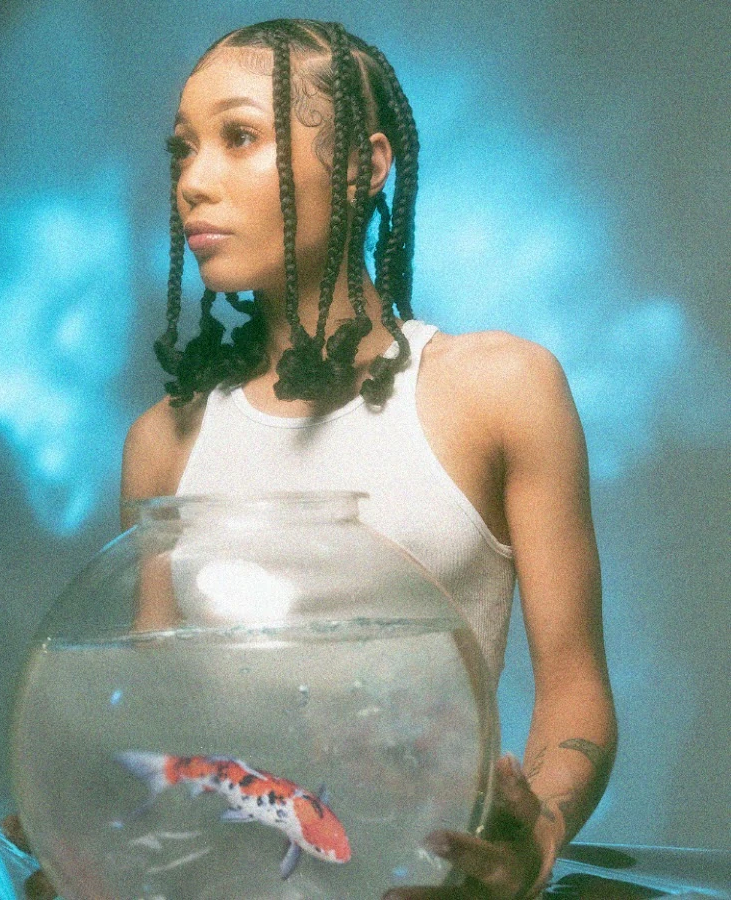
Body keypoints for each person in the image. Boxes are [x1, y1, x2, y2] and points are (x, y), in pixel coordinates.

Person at [120, 19, 617, 900]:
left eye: (240, 137)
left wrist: (538, 826)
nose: (193, 180)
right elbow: (155, 723)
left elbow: (574, 688)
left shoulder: (502, 391)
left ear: (362, 165)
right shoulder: (165, 442)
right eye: (182, 150)